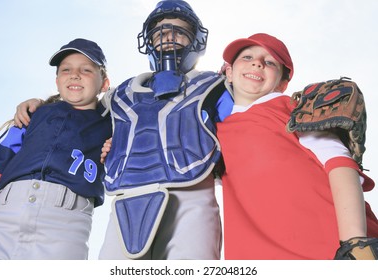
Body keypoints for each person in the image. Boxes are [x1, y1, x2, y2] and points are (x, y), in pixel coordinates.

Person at [12, 0, 225, 260]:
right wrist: (42, 103)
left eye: (179, 32)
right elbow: (82, 105)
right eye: (159, 33)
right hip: (128, 199)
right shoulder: (122, 95)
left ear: (196, 40)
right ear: (148, 41)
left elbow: (242, 121)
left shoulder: (214, 86)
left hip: (191, 195)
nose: (168, 39)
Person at [216, 33, 378, 259]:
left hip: (335, 249)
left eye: (270, 62)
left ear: (282, 83)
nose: (257, 62)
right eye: (247, 56)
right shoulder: (213, 132)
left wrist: (356, 242)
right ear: (229, 72)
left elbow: (340, 165)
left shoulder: (291, 108)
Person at [0, 38, 112, 259]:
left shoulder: (114, 123)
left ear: (104, 83)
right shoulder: (33, 114)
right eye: (66, 70)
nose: (75, 75)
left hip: (66, 222)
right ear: (57, 81)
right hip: (5, 213)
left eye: (86, 69)